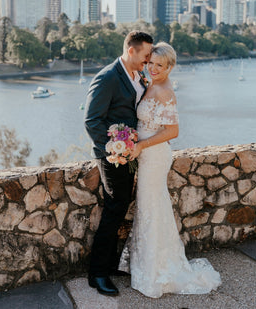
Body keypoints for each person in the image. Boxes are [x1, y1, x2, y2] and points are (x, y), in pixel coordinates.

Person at [118, 42, 222, 298]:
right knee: (148, 207)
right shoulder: (150, 81)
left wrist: (141, 144)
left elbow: (173, 131)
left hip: (153, 156)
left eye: (159, 65)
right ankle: (146, 265)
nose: (152, 68)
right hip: (144, 154)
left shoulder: (165, 91)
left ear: (170, 67)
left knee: (151, 206)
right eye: (150, 63)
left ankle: (157, 271)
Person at [84, 31, 153, 296]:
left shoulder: (138, 75)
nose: (149, 60)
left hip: (130, 154)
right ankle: (97, 274)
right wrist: (113, 150)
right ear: (132, 50)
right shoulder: (108, 77)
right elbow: (92, 120)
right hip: (111, 156)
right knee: (115, 207)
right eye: (146, 55)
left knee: (121, 205)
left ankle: (110, 265)